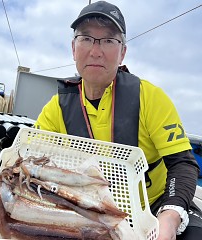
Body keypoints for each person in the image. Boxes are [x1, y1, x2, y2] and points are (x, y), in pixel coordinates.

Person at [33, 1, 202, 240]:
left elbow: (183, 163)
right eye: (86, 38)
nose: (96, 50)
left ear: (122, 52)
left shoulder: (150, 97)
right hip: (88, 211)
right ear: (73, 48)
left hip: (154, 206)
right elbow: (30, 158)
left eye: (108, 40)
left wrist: (170, 216)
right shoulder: (56, 108)